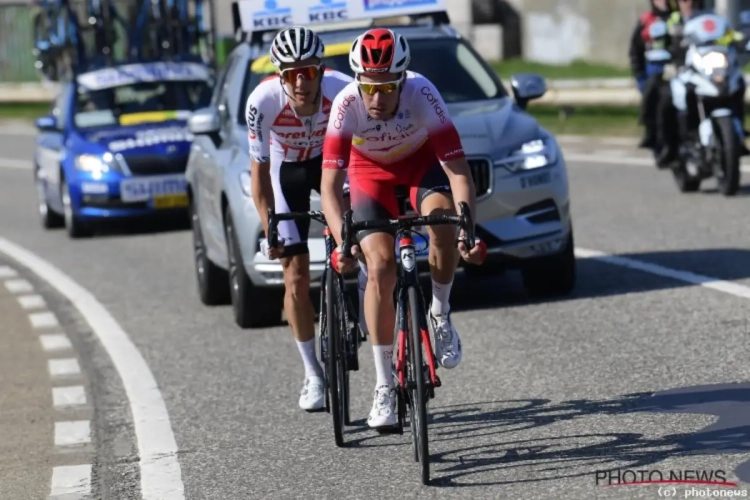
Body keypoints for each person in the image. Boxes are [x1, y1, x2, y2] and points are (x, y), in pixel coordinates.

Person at [320, 28, 487, 429]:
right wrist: (344, 242)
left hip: (419, 165)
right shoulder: (345, 105)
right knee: (379, 266)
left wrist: (468, 231)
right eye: (369, 88)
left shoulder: (422, 93)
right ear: (358, 81)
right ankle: (384, 385)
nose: (377, 99)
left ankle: (440, 312)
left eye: (388, 87)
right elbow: (328, 187)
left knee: (444, 222)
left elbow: (458, 171)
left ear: (403, 79)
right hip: (368, 173)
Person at [245, 26, 356, 412]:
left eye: (308, 72)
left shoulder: (342, 89)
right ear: (280, 75)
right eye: (291, 74)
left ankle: (357, 298)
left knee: (357, 240)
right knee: (294, 274)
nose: (301, 82)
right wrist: (269, 225)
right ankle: (313, 373)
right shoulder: (263, 101)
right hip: (286, 170)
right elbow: (259, 177)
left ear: (321, 71)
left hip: (332, 165)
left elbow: (364, 146)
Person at [656, 0, 748, 166]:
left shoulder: (711, 19)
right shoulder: (672, 20)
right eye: (683, 0)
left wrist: (741, 40)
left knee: (738, 85)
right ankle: (670, 147)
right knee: (666, 99)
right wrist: (667, 49)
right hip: (682, 68)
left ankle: (736, 135)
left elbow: (729, 35)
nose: (688, 3)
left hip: (710, 67)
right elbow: (661, 42)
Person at [628, 0, 676, 149]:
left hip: (676, 70)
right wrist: (639, 75)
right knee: (652, 95)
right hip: (653, 73)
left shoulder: (678, 19)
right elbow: (635, 50)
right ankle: (651, 132)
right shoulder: (646, 20)